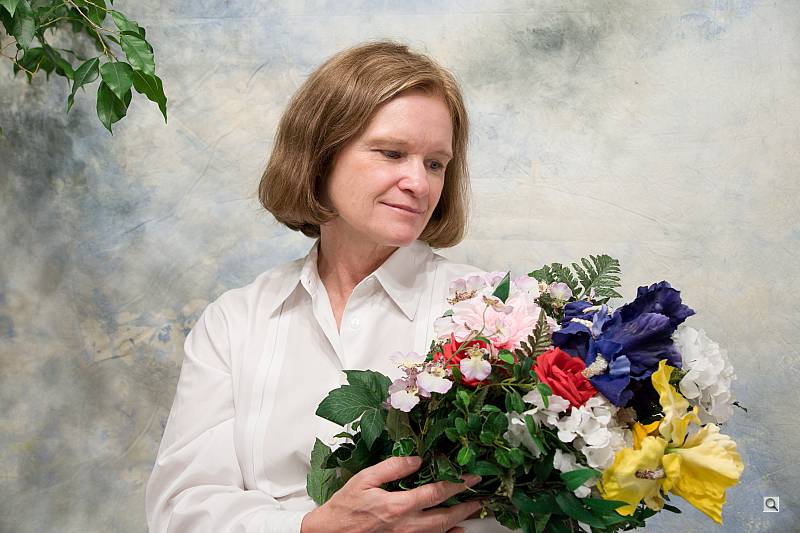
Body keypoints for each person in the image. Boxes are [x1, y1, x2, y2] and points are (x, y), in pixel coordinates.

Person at [146, 40, 508, 533]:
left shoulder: (494, 313)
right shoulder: (235, 322)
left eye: (435, 164)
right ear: (320, 156)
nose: (419, 185)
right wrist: (312, 529)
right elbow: (180, 509)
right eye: (392, 153)